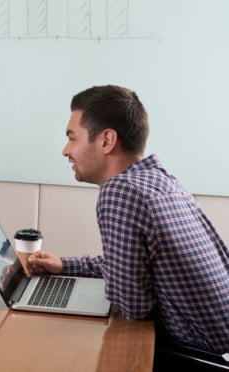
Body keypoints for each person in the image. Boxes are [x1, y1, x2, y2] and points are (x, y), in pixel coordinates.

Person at [27, 85, 229, 356]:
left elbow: (133, 307)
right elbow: (134, 266)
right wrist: (64, 265)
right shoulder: (160, 180)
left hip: (196, 355)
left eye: (72, 138)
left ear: (106, 140)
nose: (66, 150)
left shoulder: (121, 191)